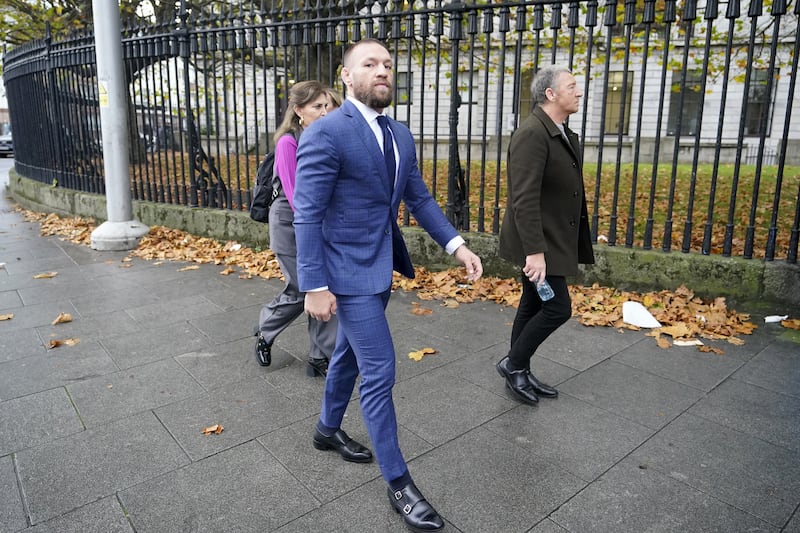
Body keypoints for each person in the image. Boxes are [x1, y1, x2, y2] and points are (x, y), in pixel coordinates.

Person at [293, 39, 483, 532]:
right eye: (370, 64)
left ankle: (326, 429)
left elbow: (418, 198)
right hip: (343, 273)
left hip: (379, 268)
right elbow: (307, 213)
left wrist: (456, 247)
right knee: (379, 368)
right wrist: (314, 284)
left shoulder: (400, 134)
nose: (382, 71)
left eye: (388, 65)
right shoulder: (327, 132)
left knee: (349, 357)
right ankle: (400, 484)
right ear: (346, 76)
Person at [497, 65, 595, 405]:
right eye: (571, 86)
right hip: (539, 244)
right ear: (550, 94)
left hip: (549, 238)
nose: (578, 91)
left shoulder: (558, 130)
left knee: (532, 302)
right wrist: (534, 252)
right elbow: (522, 199)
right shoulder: (532, 134)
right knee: (557, 308)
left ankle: (518, 369)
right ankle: (514, 365)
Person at [254, 80, 339, 377]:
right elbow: (295, 195)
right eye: (317, 106)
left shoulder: (326, 139)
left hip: (318, 223)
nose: (325, 112)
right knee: (301, 287)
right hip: (291, 224)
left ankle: (320, 355)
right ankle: (265, 330)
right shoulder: (288, 142)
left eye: (328, 105)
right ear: (298, 110)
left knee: (323, 286)